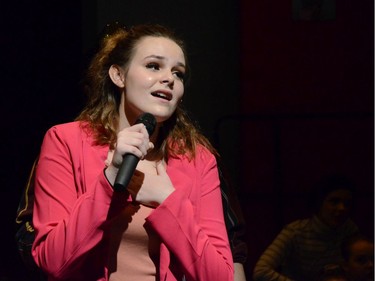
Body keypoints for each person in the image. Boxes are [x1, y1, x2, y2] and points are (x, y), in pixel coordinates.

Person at [30, 23, 234, 281]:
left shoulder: (198, 159)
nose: (169, 79)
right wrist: (109, 179)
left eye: (178, 73)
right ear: (118, 75)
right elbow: (53, 261)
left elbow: (220, 276)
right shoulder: (66, 141)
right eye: (153, 66)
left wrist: (166, 199)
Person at [252, 174, 359, 281]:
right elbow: (261, 271)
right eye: (334, 202)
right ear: (319, 203)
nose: (341, 208)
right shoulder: (295, 232)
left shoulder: (350, 231)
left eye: (347, 203)